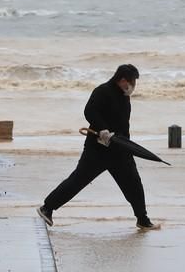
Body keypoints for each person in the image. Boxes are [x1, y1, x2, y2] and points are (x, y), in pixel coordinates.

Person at [37, 64, 161, 230]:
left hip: (120, 151)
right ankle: (47, 208)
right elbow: (90, 111)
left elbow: (123, 124)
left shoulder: (125, 96)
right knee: (77, 180)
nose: (133, 86)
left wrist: (126, 144)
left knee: (134, 184)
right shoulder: (102, 91)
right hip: (97, 150)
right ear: (123, 80)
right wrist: (103, 129)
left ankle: (142, 219)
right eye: (133, 82)